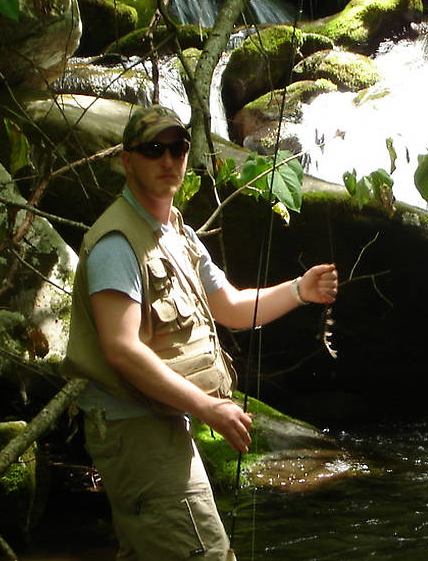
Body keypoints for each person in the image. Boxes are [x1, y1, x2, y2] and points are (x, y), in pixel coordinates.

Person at [62, 104, 338, 560]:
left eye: (178, 148)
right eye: (154, 150)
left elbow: (231, 307)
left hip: (163, 423)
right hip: (136, 432)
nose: (169, 160)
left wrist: (299, 290)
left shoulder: (178, 233)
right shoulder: (117, 243)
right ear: (128, 160)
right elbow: (121, 348)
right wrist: (209, 407)